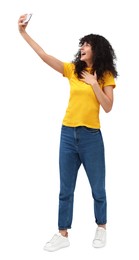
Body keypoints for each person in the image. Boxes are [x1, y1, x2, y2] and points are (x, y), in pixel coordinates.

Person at [18, 14, 118, 251]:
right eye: (81, 44)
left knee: (98, 187)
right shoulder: (73, 70)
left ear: (97, 50)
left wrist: (94, 84)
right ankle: (63, 234)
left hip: (91, 137)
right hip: (67, 135)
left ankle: (101, 227)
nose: (82, 47)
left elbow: (108, 107)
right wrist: (23, 33)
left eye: (87, 44)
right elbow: (44, 55)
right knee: (65, 189)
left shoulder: (105, 75)